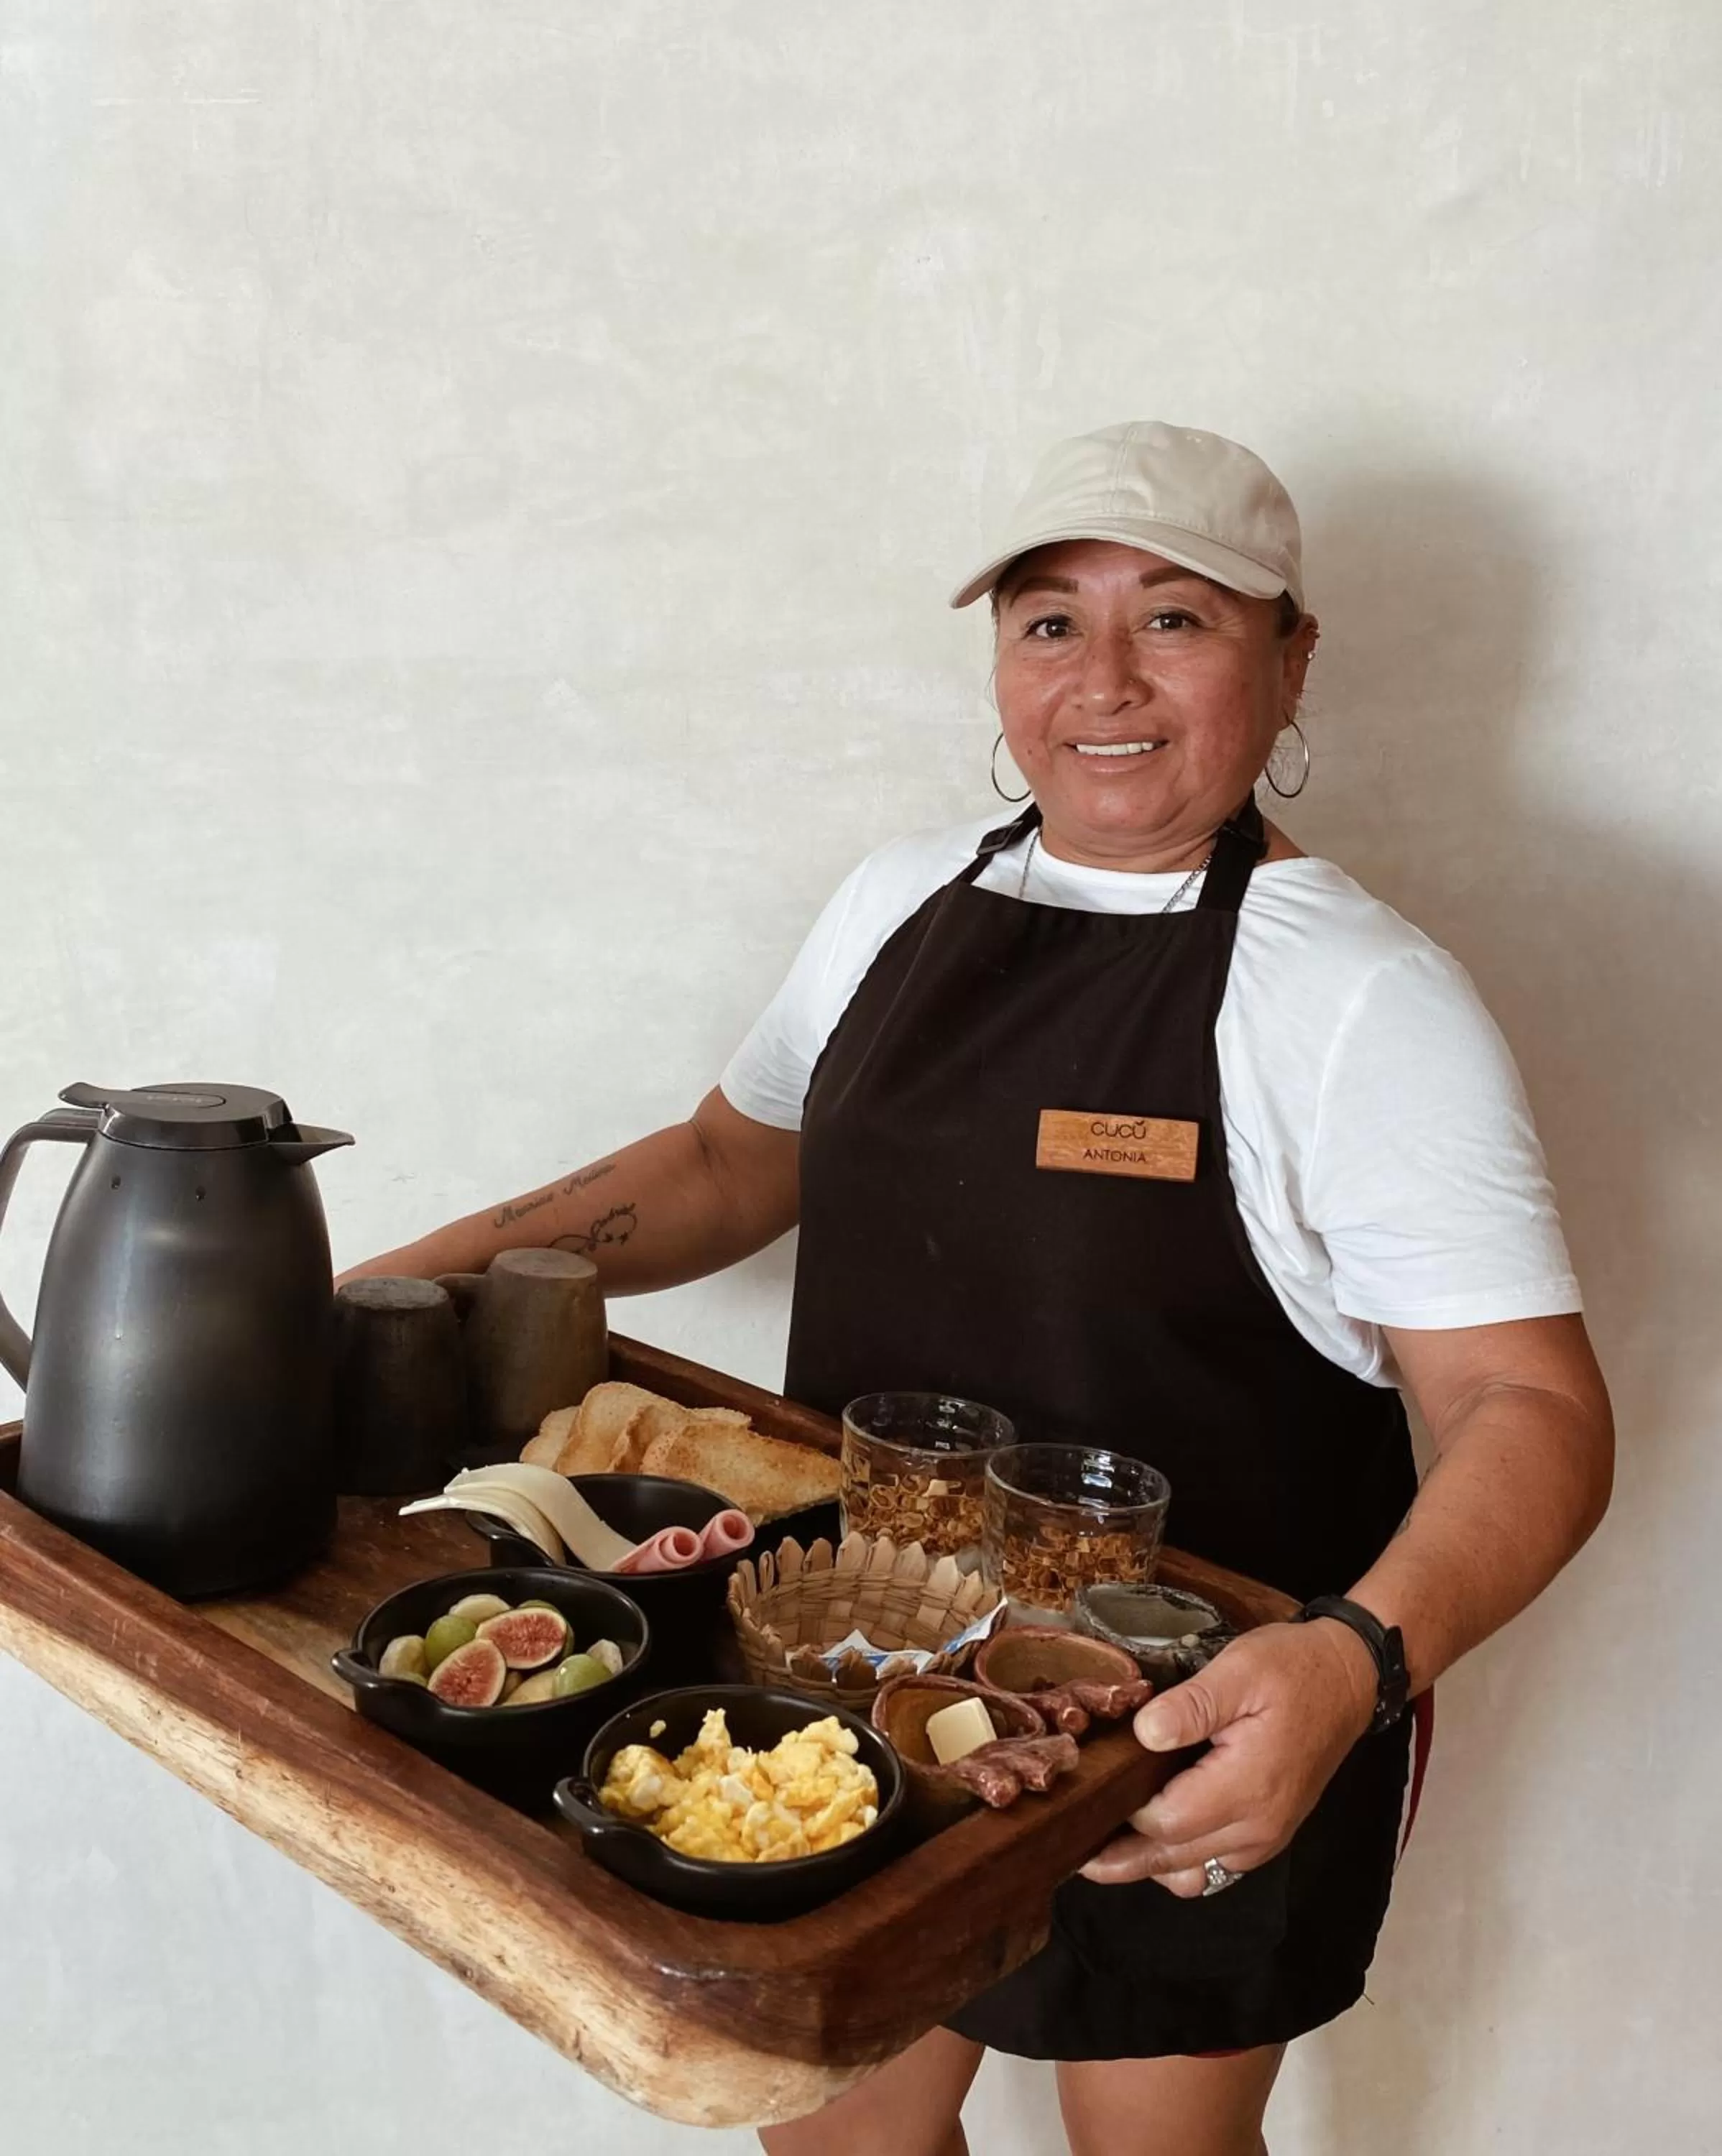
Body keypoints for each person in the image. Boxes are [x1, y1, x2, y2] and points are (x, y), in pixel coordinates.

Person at [349, 421, 1613, 2156]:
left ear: (1289, 654)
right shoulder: (896, 903)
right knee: (840, 2134)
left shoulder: (1362, 1002)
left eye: (1175, 619)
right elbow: (728, 1163)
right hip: (855, 1675)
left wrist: (1355, 1667)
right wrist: (377, 1291)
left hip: (1197, 1714)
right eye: (1046, 622)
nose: (1103, 678)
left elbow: (1525, 1408)